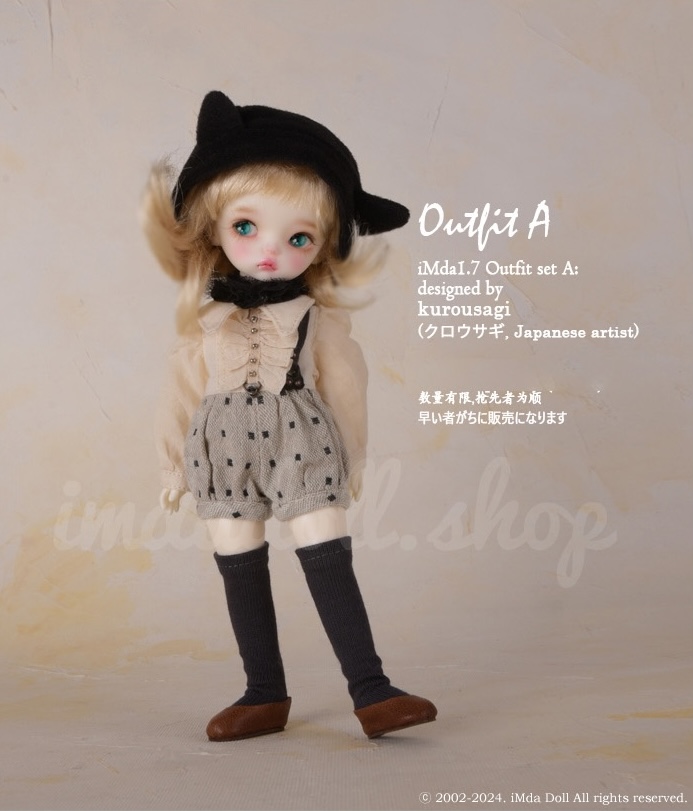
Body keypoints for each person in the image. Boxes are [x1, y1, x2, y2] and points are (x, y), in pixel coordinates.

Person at [142, 91, 437, 741]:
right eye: (246, 227)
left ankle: (371, 688)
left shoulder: (315, 319)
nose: (270, 251)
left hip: (300, 440)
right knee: (239, 562)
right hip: (220, 450)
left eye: (297, 236)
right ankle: (263, 692)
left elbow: (347, 386)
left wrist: (353, 457)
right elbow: (179, 392)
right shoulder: (206, 320)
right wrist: (171, 467)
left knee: (326, 554)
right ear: (211, 224)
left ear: (323, 245)